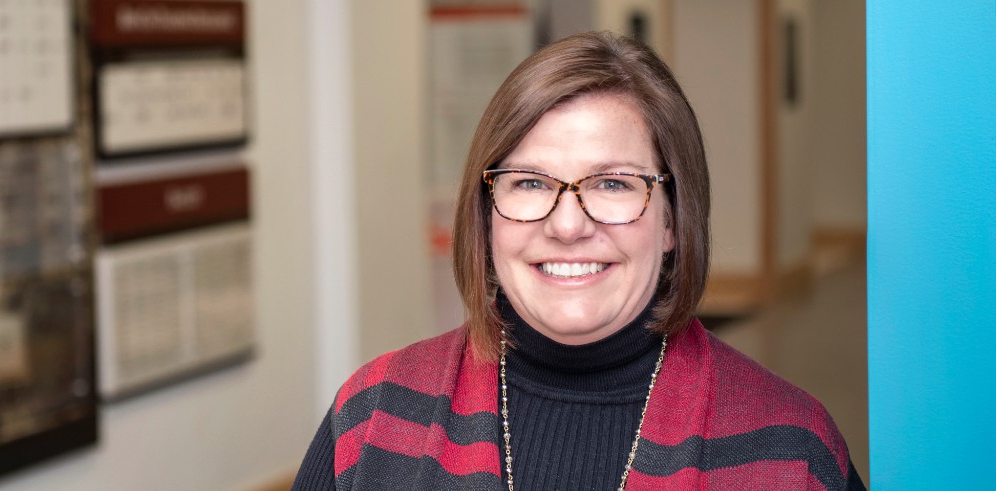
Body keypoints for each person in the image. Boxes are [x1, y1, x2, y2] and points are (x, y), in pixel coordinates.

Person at [293, 31, 865, 490]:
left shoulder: (789, 451)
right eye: (530, 182)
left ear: (672, 219)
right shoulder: (373, 422)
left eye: (614, 183)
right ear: (486, 211)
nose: (568, 225)